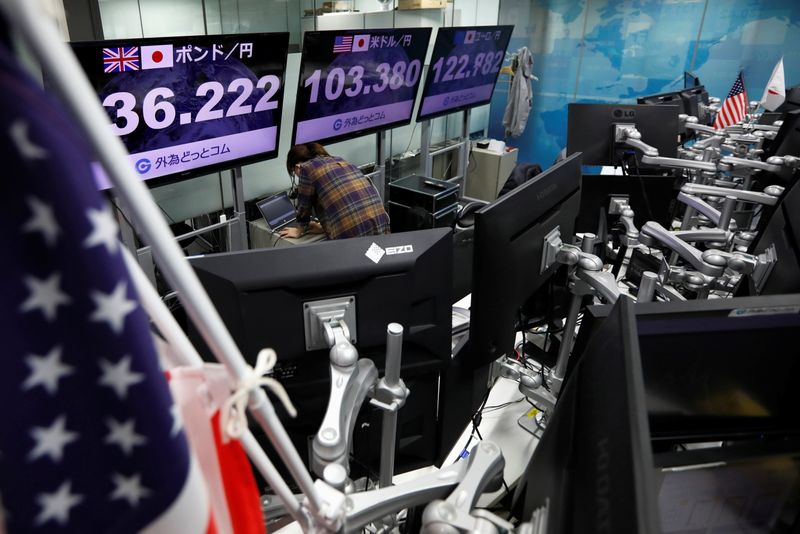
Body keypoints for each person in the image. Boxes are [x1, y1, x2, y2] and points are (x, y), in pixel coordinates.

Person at [279, 143, 390, 240]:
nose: (297, 176)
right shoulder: (340, 160)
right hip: (381, 223)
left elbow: (304, 206)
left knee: (357, 261)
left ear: (297, 166)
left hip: (353, 234)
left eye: (294, 172)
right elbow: (346, 201)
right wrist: (324, 228)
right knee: (377, 259)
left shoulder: (305, 168)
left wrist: (300, 229)